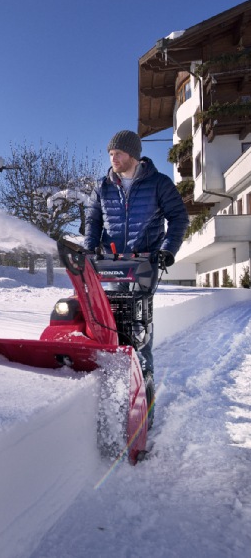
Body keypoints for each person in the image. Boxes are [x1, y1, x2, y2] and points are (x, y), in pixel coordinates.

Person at [84, 129, 189, 425]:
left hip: (145, 263)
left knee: (137, 325)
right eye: (110, 154)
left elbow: (178, 218)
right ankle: (112, 377)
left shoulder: (158, 183)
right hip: (112, 263)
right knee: (108, 317)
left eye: (117, 153)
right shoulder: (103, 186)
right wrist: (89, 250)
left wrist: (167, 251)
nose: (112, 158)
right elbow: (92, 221)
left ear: (133, 154)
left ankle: (144, 389)